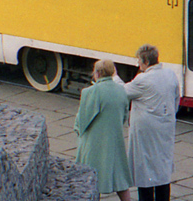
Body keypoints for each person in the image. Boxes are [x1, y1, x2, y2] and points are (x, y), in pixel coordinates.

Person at [124, 44, 181, 201]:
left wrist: (113, 77)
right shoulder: (170, 74)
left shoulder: (142, 80)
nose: (138, 65)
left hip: (146, 133)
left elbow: (122, 92)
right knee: (162, 168)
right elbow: (176, 99)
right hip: (165, 128)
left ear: (146, 62)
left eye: (139, 61)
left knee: (145, 170)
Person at [75, 59, 134, 201]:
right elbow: (124, 117)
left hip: (94, 142)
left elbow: (82, 121)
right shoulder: (121, 90)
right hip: (114, 140)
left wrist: (77, 129)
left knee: (90, 178)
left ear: (98, 73)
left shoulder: (91, 92)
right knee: (119, 179)